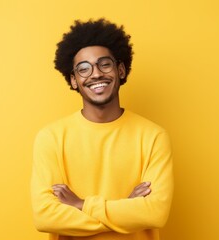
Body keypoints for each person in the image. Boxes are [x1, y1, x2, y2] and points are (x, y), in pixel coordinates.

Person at [31, 18, 174, 240]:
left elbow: (155, 213)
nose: (96, 74)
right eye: (84, 69)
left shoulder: (153, 137)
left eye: (104, 64)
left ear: (121, 70)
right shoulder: (51, 138)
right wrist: (126, 207)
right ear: (74, 80)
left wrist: (81, 204)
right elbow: (45, 217)